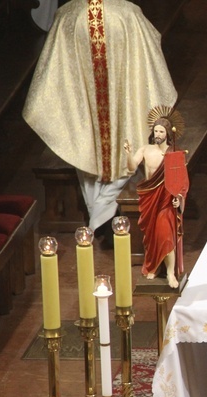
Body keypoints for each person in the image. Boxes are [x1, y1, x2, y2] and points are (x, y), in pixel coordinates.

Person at [23, 0, 177, 242]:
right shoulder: (129, 14)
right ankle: (102, 218)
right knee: (125, 143)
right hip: (124, 113)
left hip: (86, 118)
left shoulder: (68, 17)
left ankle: (98, 218)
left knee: (85, 145)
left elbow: (55, 74)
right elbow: (151, 54)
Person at [124, 108, 186, 288]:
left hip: (166, 201)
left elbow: (182, 181)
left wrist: (179, 198)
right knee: (152, 236)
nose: (158, 134)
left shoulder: (173, 153)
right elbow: (131, 168)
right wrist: (128, 153)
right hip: (150, 198)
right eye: (156, 130)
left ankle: (170, 273)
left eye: (161, 131)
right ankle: (154, 266)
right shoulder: (145, 149)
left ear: (167, 134)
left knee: (166, 235)